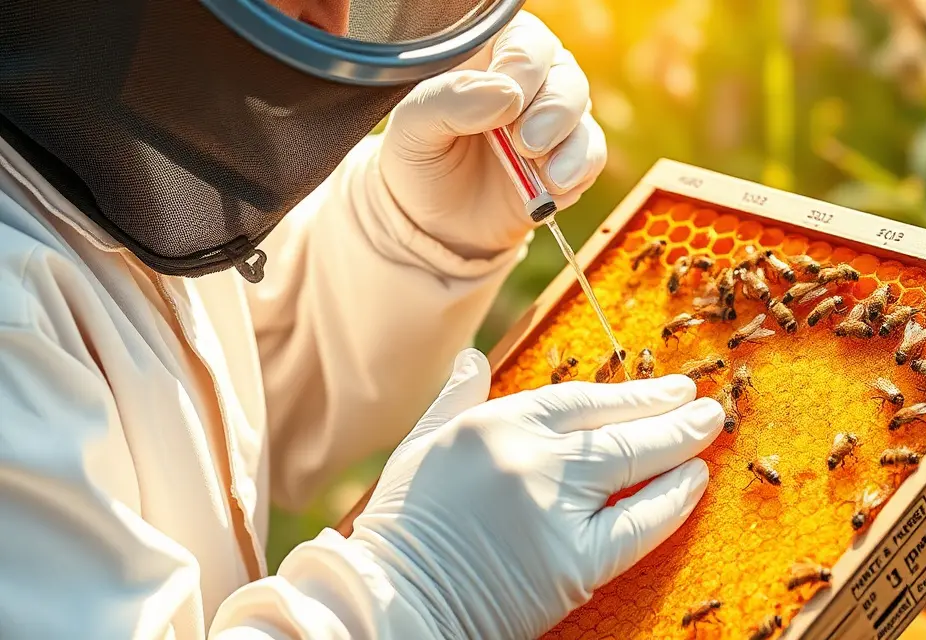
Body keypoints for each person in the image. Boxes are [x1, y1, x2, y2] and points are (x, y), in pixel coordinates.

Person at [0, 5, 724, 640]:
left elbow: (233, 412)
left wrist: (409, 237)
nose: (337, 21)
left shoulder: (107, 134)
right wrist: (419, 596)